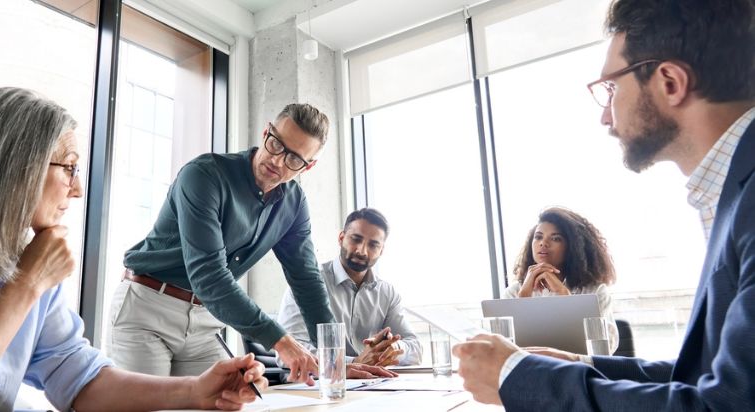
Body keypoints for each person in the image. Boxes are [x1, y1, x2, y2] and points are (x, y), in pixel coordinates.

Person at [453, 0, 755, 410]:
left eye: (610, 88)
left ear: (669, 81)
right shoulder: (733, 191)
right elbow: (706, 377)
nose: (605, 117)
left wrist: (516, 377)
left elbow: (726, 406)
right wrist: (581, 364)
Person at [0, 87, 268, 411]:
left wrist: (195, 391)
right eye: (70, 168)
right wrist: (27, 285)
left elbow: (77, 377)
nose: (77, 190)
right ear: (15, 168)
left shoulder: (28, 257)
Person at [111, 103, 392, 384]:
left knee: (230, 404)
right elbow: (209, 276)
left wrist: (335, 359)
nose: (278, 161)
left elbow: (307, 281)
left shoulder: (293, 204)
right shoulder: (204, 176)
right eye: (276, 144)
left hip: (204, 322)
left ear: (309, 166)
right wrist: (281, 341)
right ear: (266, 132)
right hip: (149, 308)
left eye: (295, 159)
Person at [276, 208, 422, 367]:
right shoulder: (307, 282)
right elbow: (289, 351)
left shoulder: (387, 293)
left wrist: (395, 348)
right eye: (356, 239)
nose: (362, 251)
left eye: (373, 245)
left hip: (371, 385)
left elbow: (415, 349)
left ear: (382, 250)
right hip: (317, 384)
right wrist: (353, 363)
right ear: (341, 238)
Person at [505, 206, 618, 352]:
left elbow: (604, 349)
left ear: (572, 247)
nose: (543, 243)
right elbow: (504, 353)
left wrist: (565, 297)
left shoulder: (595, 292)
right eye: (538, 237)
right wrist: (522, 301)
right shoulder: (514, 292)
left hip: (577, 371)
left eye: (556, 238)